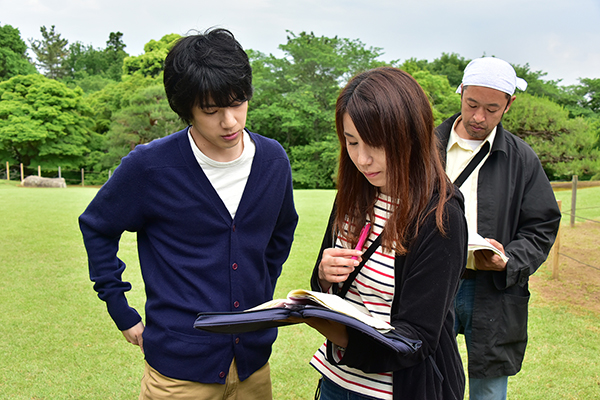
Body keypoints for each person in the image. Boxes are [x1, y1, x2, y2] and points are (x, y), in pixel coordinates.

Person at [78, 28, 298, 400]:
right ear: (187, 109)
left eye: (238, 102)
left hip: (253, 366)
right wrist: (120, 307)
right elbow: (97, 226)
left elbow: (280, 234)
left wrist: (259, 288)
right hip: (177, 373)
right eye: (211, 110)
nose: (230, 121)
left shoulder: (273, 159)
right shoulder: (150, 167)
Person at [301, 67, 468, 399]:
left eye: (376, 143)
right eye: (351, 142)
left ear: (410, 135)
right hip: (336, 382)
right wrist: (323, 276)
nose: (362, 159)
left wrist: (337, 333)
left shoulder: (440, 218)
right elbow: (334, 290)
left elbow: (416, 338)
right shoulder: (352, 198)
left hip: (395, 390)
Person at [435, 57, 562, 399]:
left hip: (491, 288)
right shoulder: (425, 147)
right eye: (472, 104)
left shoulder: (522, 159)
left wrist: (511, 260)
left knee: (489, 389)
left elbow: (542, 224)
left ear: (509, 103)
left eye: (491, 109)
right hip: (431, 281)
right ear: (460, 92)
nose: (479, 117)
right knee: (427, 380)